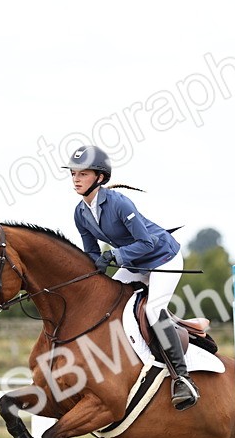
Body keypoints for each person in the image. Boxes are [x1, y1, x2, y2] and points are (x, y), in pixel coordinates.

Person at [64, 145, 200, 410]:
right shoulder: (80, 213)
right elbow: (91, 253)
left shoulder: (118, 203)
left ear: (100, 177)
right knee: (108, 305)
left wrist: (113, 256)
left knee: (153, 309)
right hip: (135, 262)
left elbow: (147, 243)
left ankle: (182, 378)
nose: (76, 179)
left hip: (162, 257)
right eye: (73, 174)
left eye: (82, 174)